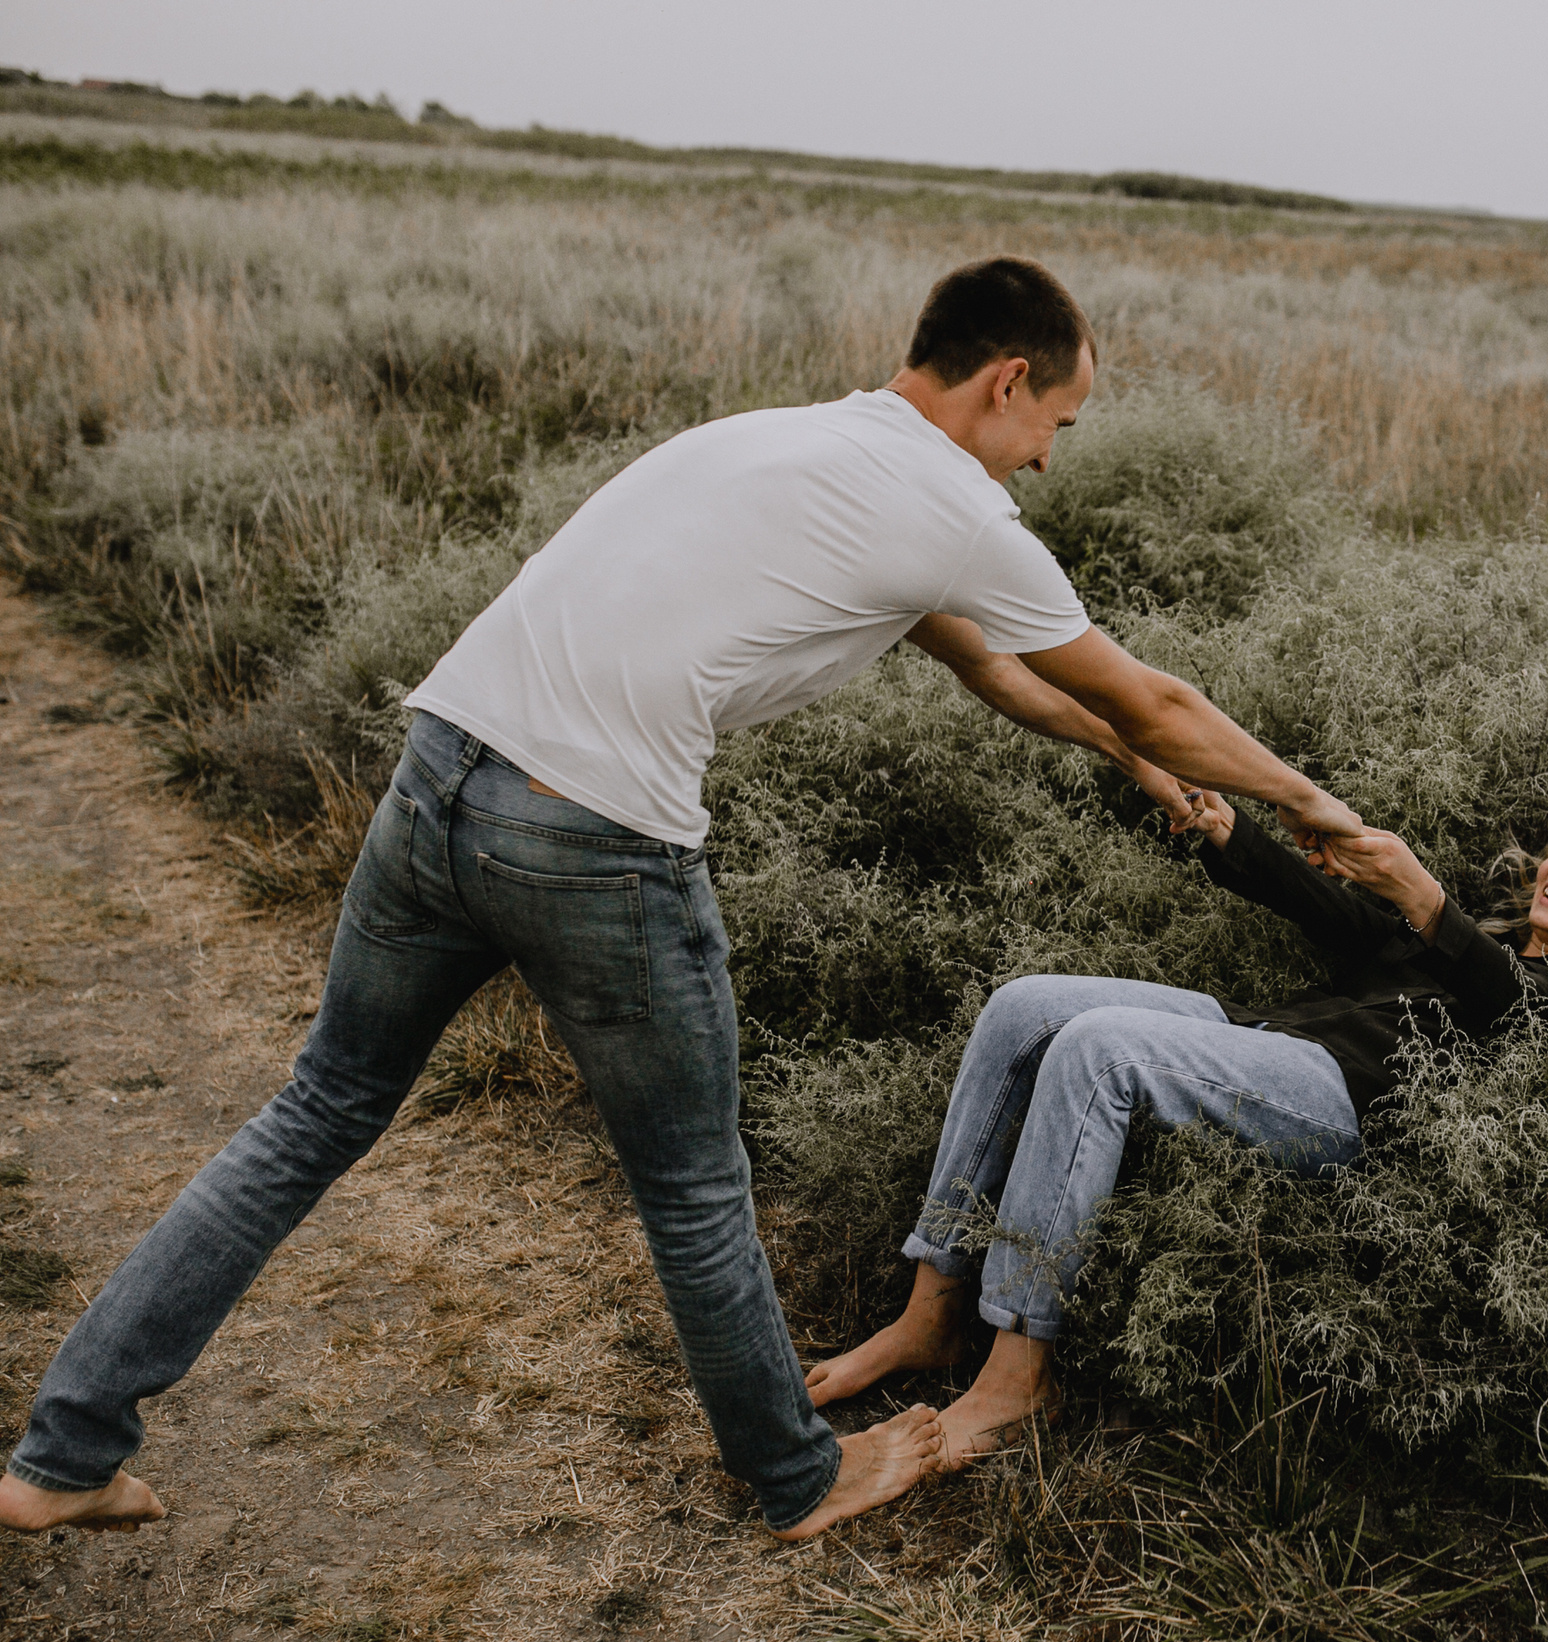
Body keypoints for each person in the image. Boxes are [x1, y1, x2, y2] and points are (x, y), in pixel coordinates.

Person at [0, 257, 1363, 1540]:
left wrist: (1128, 762)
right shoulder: (952, 503)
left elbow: (999, 670)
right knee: (699, 1184)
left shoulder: (784, 440)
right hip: (593, 834)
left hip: (440, 772)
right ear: (1005, 379)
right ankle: (795, 1473)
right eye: (1055, 419)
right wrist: (1323, 810)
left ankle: (62, 1455)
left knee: (315, 1111)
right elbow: (1156, 690)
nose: (1050, 458)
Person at [803, 793, 1548, 1465]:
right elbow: (1343, 918)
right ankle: (932, 1310)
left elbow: (1507, 1011)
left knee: (1100, 1049)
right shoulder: (1483, 941)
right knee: (1023, 1008)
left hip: (1336, 1096)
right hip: (1261, 1030)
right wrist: (1228, 832)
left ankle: (1016, 1377)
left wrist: (1431, 902)